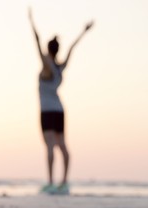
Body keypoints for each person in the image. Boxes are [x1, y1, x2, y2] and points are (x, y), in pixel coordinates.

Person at [29, 8, 93, 194]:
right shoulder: (59, 67)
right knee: (63, 145)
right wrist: (84, 31)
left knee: (50, 146)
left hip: (47, 111)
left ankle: (50, 183)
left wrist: (31, 22)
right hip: (59, 110)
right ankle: (64, 182)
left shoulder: (47, 66)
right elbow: (72, 47)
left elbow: (36, 41)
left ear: (48, 50)